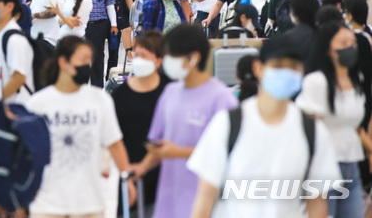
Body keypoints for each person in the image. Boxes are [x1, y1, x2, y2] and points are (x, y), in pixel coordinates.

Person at [187, 35, 341, 218]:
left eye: (293, 67)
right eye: (278, 66)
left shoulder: (313, 132)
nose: (286, 72)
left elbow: (317, 206)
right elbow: (205, 201)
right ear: (258, 68)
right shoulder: (228, 125)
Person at [130, 24, 239, 218]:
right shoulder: (170, 92)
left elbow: (229, 154)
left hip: (205, 203)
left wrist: (177, 152)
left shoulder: (222, 99)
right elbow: (160, 143)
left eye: (173, 55)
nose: (167, 61)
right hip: (168, 201)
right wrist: (142, 167)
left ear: (193, 58)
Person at [26, 35, 136, 218]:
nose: (87, 66)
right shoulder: (38, 104)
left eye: (89, 61)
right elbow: (27, 152)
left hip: (88, 202)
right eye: (83, 60)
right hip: (47, 202)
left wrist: (127, 179)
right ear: (63, 62)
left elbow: (115, 143)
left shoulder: (100, 100)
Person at [296, 22, 369, 218]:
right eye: (343, 42)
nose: (350, 47)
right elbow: (307, 127)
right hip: (323, 167)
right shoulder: (317, 82)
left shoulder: (357, 80)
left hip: (351, 165)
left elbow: (354, 127)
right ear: (327, 48)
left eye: (352, 42)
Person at [112, 30, 170, 217]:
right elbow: (113, 138)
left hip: (162, 173)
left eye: (144, 56)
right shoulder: (120, 95)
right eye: (137, 55)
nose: (138, 60)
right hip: (127, 171)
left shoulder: (169, 92)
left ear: (158, 61)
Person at [80, 0, 118, 87]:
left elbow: (110, 5)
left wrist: (113, 24)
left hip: (98, 25)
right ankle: (81, 87)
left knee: (97, 57)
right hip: (80, 26)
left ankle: (97, 87)